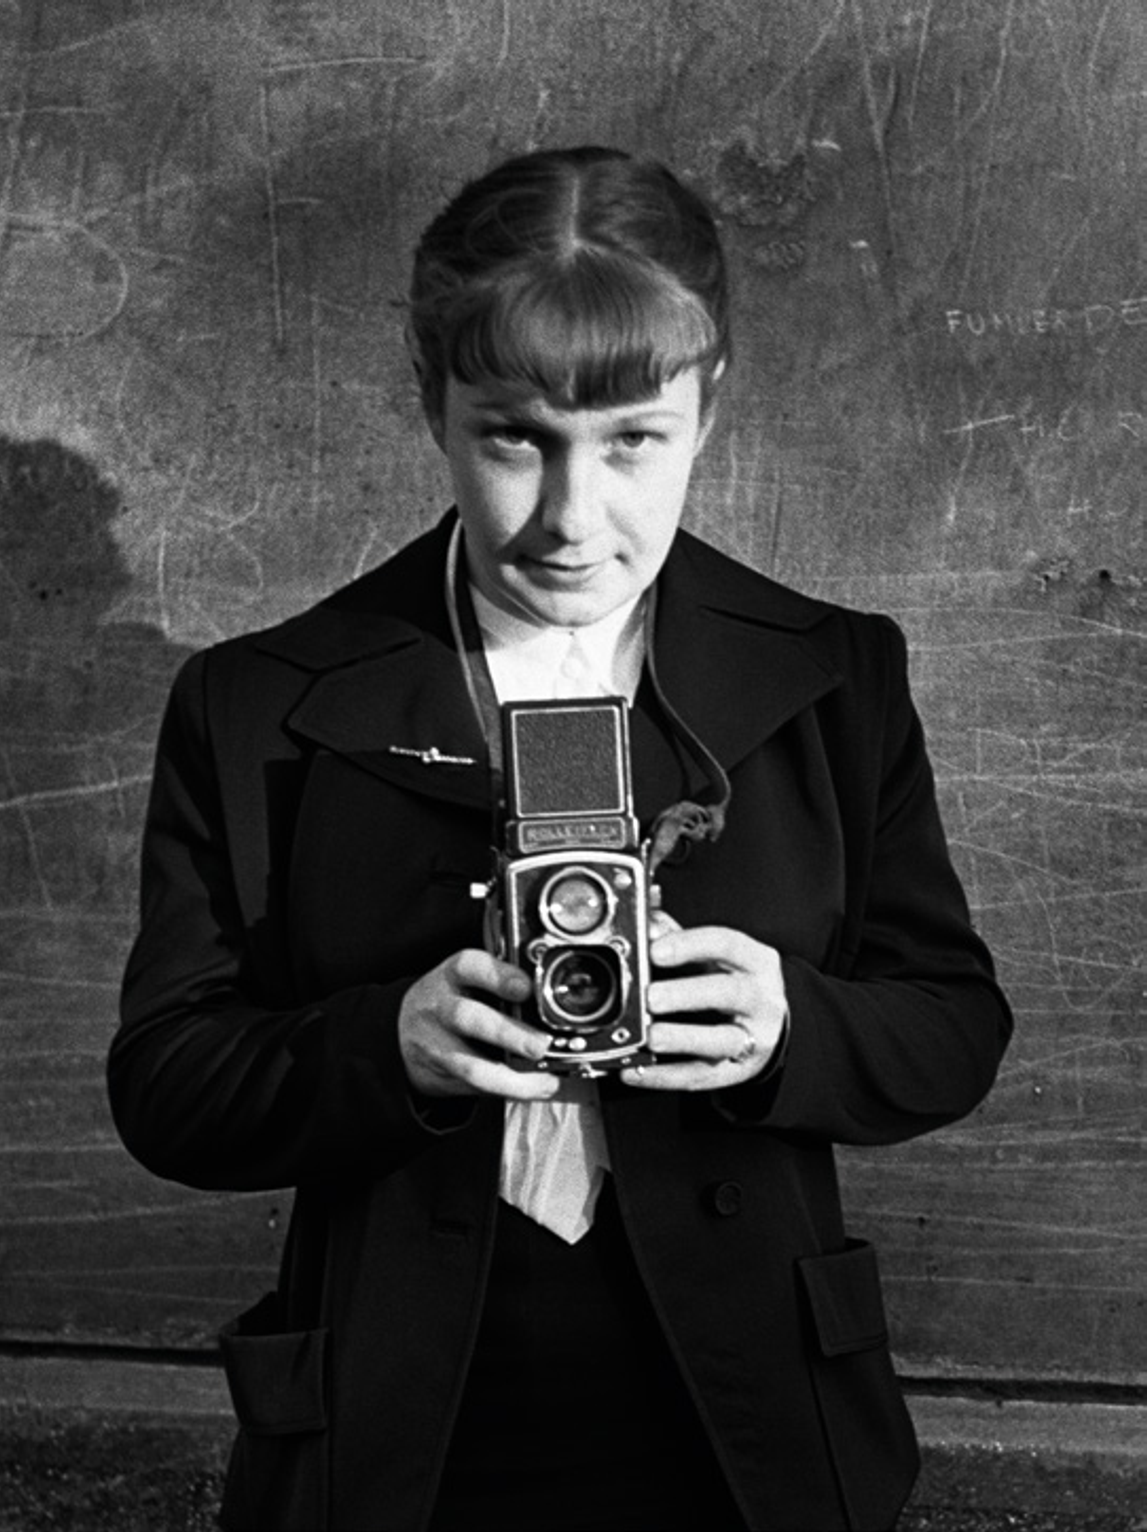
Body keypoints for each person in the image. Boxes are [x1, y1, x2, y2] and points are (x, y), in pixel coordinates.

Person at [108, 145, 1013, 1532]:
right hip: (396, 1428)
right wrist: (385, 1045)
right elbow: (168, 1083)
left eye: (634, 440)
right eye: (514, 436)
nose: (574, 519)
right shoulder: (259, 703)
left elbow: (953, 1024)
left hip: (758, 1426)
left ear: (710, 407)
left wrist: (792, 1030)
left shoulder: (839, 677)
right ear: (432, 408)